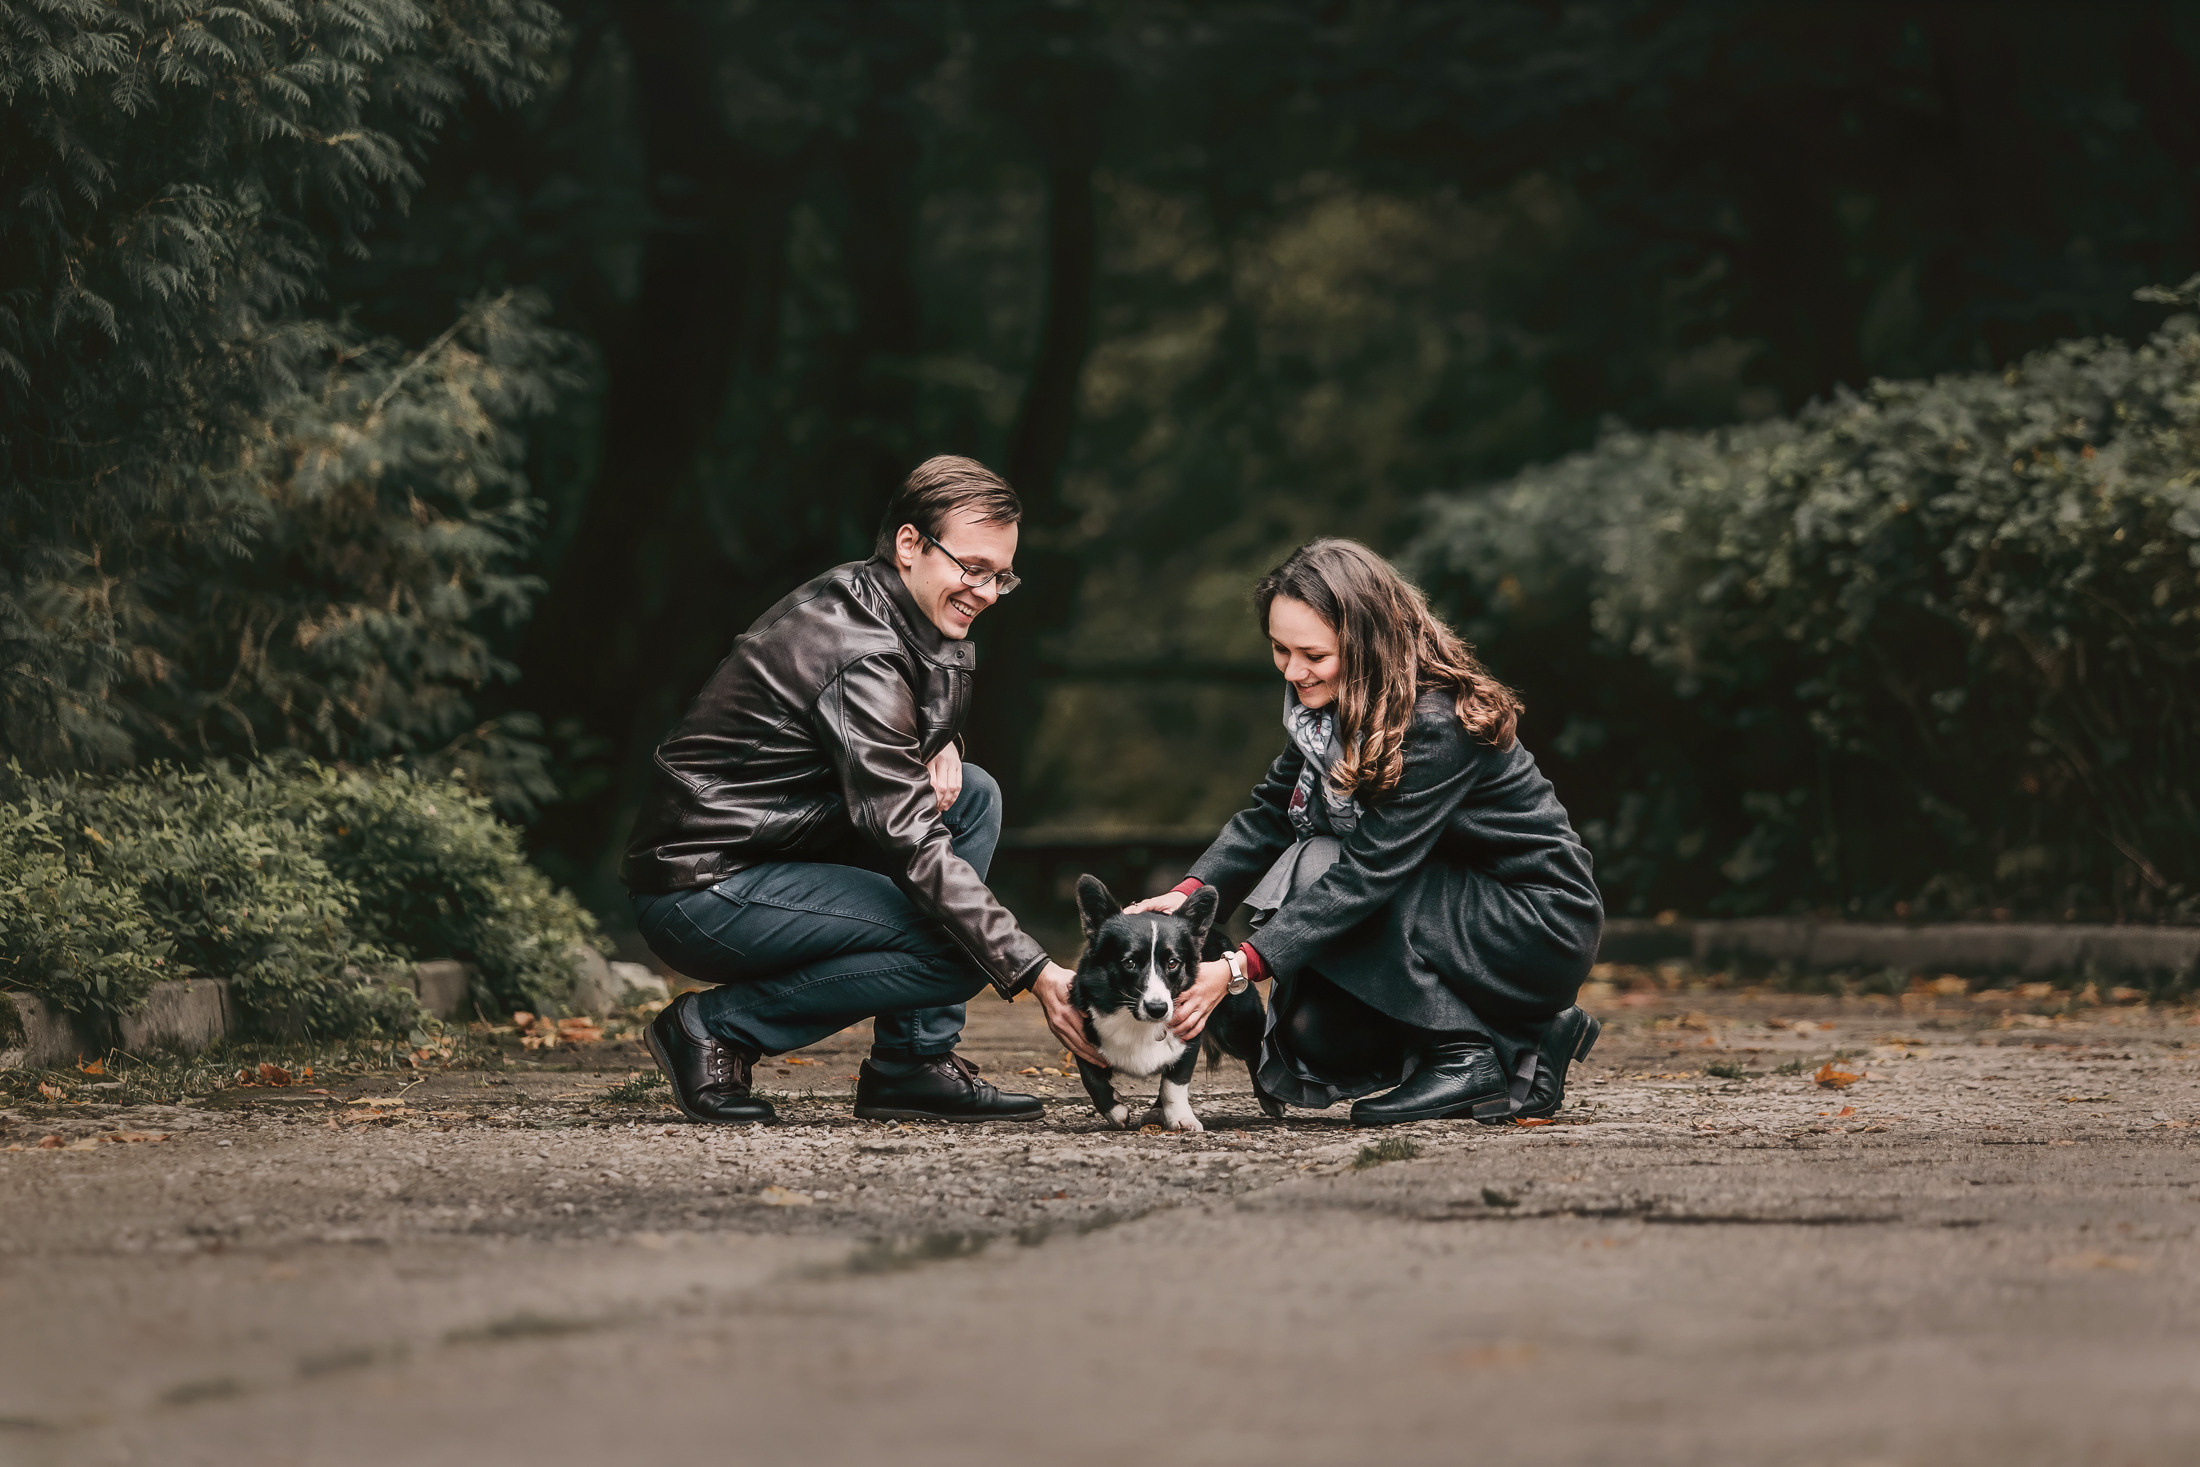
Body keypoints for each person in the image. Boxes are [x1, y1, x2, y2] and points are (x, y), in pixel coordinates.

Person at [622, 455, 1102, 1124]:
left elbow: (891, 725)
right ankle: (712, 1027)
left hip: (781, 845)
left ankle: (912, 1063)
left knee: (973, 796)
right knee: (961, 951)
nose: (988, 592)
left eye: (1001, 575)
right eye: (972, 568)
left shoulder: (898, 607)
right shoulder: (858, 646)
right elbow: (905, 834)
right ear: (910, 544)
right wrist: (1038, 971)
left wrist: (941, 741)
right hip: (704, 884)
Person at [1126, 539, 1603, 1126]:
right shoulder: (1326, 710)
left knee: (1317, 862)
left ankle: (1464, 1056)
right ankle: (1528, 1038)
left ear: (1366, 644)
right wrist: (1184, 898)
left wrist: (1238, 968)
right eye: (1280, 649)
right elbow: (1271, 813)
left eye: (1313, 654)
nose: (1293, 671)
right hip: (1435, 906)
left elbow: (1367, 873)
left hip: (1531, 923)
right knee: (1314, 1038)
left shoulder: (1434, 722)